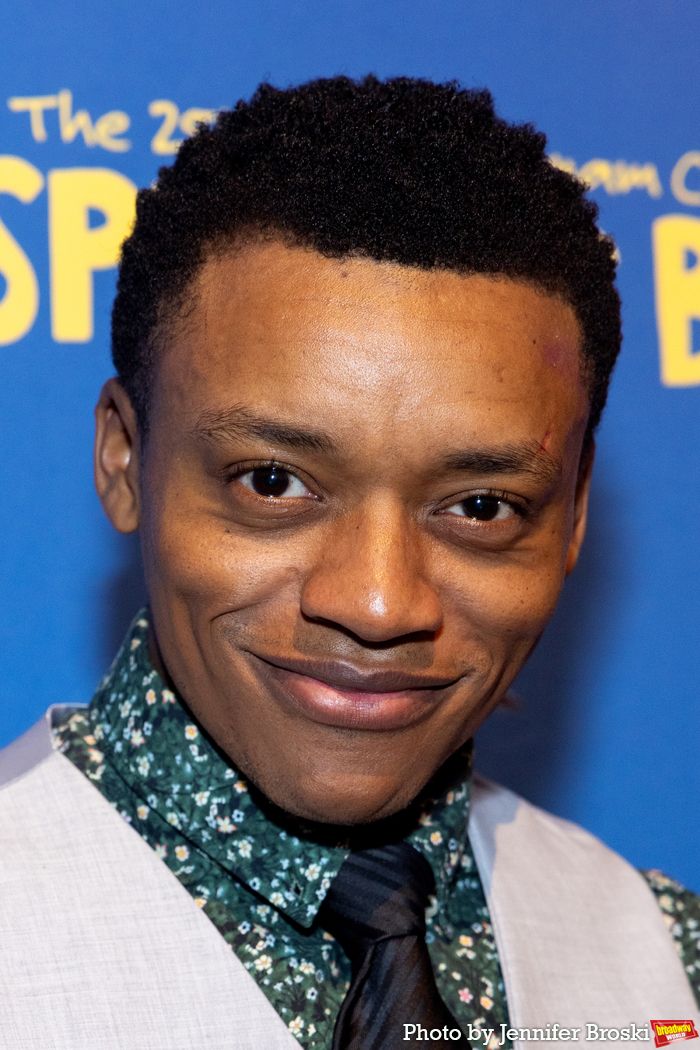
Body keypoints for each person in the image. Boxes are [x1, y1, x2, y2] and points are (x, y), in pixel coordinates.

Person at [0, 76, 697, 1050]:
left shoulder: (668, 964)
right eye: (273, 483)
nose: (376, 602)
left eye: (480, 506)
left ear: (574, 511)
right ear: (124, 460)